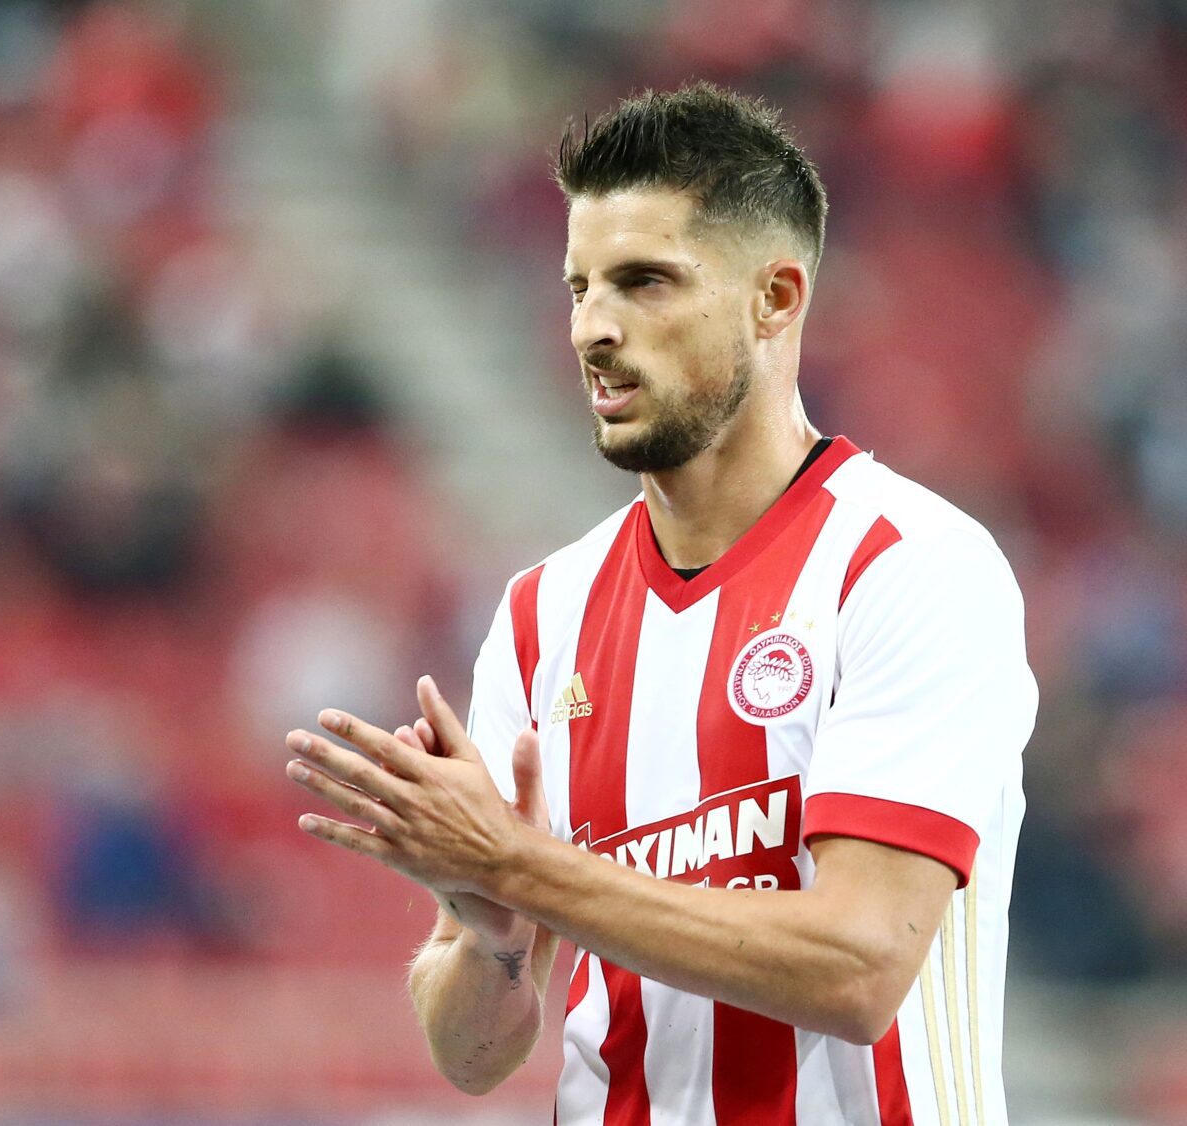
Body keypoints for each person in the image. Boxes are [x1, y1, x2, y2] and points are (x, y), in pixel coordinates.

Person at [284, 83, 1036, 1124]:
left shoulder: (911, 566)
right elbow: (473, 1055)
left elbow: (859, 967)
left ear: (775, 299)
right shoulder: (543, 614)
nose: (593, 328)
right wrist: (495, 942)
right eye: (579, 287)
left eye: (644, 282)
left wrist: (518, 865)